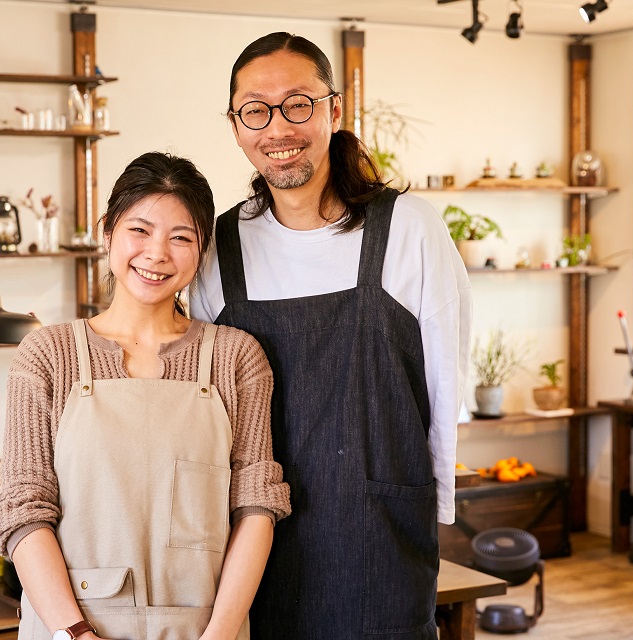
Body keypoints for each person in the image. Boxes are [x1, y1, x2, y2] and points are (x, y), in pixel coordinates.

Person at [190, 33, 472, 639]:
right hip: (253, 537)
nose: (277, 127)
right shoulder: (220, 248)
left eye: (298, 103)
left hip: (380, 533)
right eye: (255, 110)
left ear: (334, 111)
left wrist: (430, 508)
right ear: (237, 126)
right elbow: (206, 405)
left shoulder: (409, 229)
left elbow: (447, 381)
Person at [0, 151, 291, 640]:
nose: (157, 254)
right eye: (140, 230)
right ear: (108, 231)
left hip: (202, 628)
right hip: (72, 629)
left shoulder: (237, 358)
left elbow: (256, 506)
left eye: (181, 237)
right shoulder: (47, 354)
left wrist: (220, 634)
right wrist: (76, 633)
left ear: (202, 250)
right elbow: (22, 509)